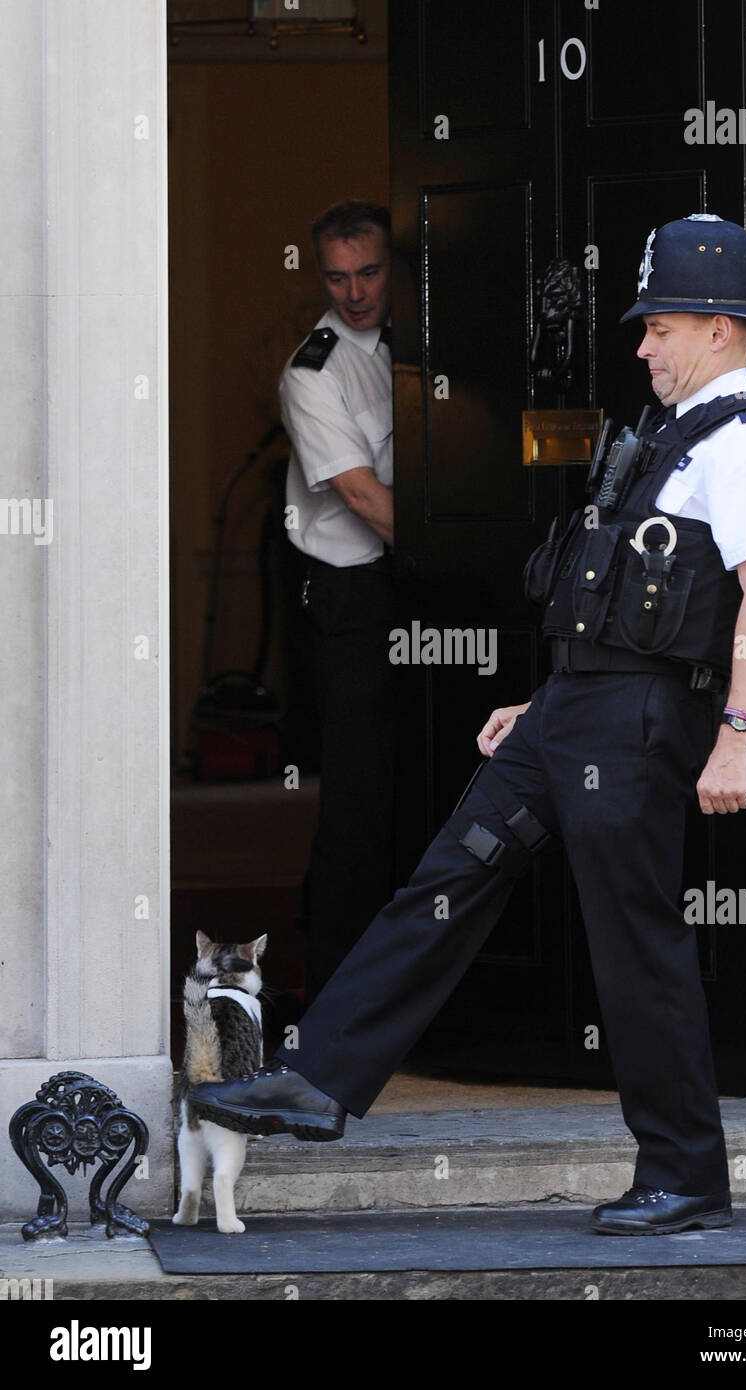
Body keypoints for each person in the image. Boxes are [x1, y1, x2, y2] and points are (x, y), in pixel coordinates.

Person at [192, 215, 746, 1236]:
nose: (643, 345)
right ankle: (317, 1080)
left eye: (658, 327)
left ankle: (686, 1173)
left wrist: (737, 730)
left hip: (645, 723)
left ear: (718, 326)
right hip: (576, 710)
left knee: (635, 943)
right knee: (447, 876)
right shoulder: (668, 434)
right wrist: (546, 700)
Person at [279, 199, 397, 1001]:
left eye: (370, 272)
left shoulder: (427, 341)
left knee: (432, 784)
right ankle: (333, 1004)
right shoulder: (312, 369)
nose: (353, 293)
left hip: (413, 581)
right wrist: (474, 559)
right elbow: (361, 494)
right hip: (355, 593)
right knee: (356, 798)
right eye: (336, 276)